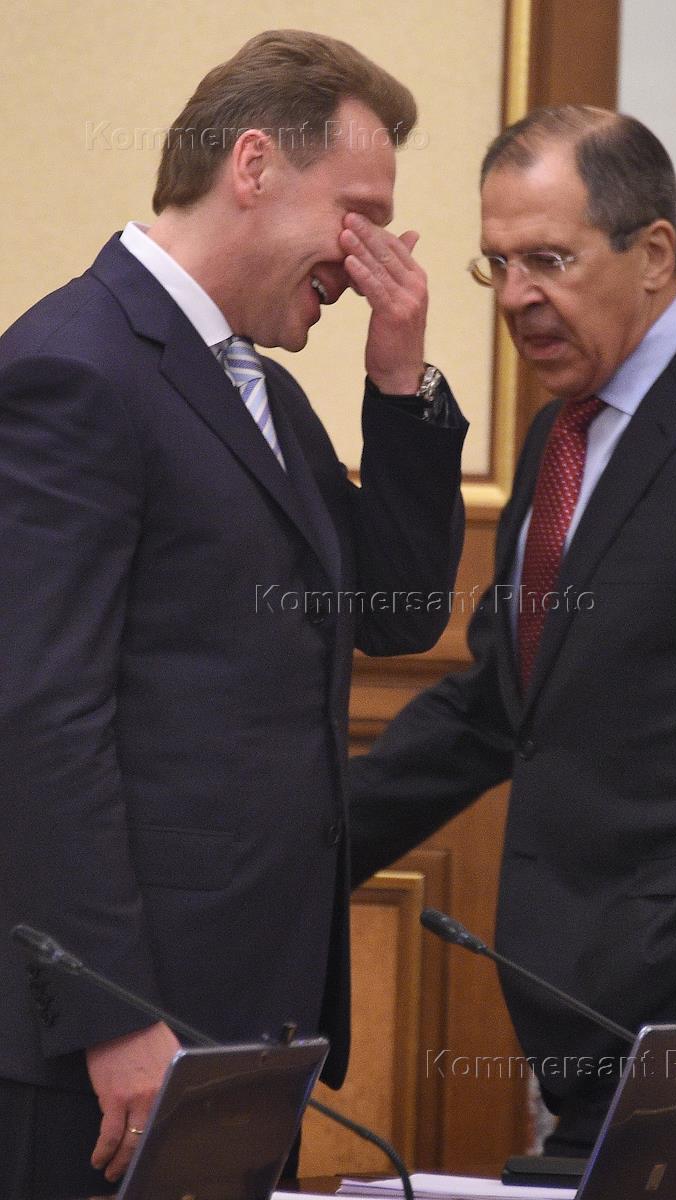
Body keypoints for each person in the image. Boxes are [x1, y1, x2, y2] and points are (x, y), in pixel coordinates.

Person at [0, 30, 466, 1197]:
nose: (365, 256)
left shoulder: (260, 390)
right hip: (112, 1043)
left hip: (242, 1020)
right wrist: (108, 1012)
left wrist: (400, 378)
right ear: (252, 166)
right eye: (357, 213)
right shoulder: (74, 367)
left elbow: (399, 610)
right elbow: (40, 716)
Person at [350, 105, 676, 1157]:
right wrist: (307, 842)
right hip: (570, 1003)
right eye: (497, 266)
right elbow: (502, 702)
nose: (517, 297)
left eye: (549, 259)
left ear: (653, 254)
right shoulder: (560, 432)